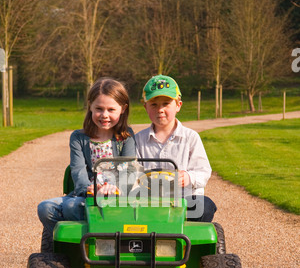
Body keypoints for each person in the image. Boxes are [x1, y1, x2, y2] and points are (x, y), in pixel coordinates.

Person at [38, 77, 136, 236]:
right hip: (86, 196)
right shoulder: (78, 137)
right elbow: (78, 170)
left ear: (123, 109)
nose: (104, 115)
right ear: (90, 106)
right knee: (45, 208)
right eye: (99, 108)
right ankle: (71, 245)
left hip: (116, 197)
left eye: (111, 110)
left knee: (70, 208)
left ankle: (104, 239)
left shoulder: (126, 137)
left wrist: (114, 187)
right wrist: (88, 189)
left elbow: (129, 168)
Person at [135, 74, 216, 221]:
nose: (160, 109)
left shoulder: (191, 137)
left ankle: (189, 238)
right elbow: (132, 173)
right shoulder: (138, 140)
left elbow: (203, 171)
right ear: (145, 107)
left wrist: (189, 177)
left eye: (166, 104)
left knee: (205, 206)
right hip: (150, 203)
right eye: (154, 104)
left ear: (178, 105)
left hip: (183, 201)